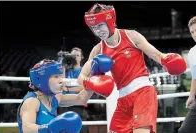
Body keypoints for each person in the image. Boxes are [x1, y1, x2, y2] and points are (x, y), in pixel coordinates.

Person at [78, 3, 187, 133]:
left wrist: (168, 60)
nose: (97, 31)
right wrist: (87, 82)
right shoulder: (97, 50)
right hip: (123, 100)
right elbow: (82, 76)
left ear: (110, 21)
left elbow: (157, 55)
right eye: (93, 28)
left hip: (143, 92)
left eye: (100, 25)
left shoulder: (131, 36)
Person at [17, 59, 96, 133]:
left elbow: (81, 99)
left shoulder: (55, 98)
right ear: (43, 80)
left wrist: (94, 83)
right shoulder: (32, 101)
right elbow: (27, 128)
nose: (61, 80)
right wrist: (49, 128)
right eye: (56, 76)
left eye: (60, 76)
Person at [178, 16, 196, 133]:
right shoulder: (192, 52)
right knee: (184, 130)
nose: (194, 34)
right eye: (192, 32)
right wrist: (191, 95)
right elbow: (195, 77)